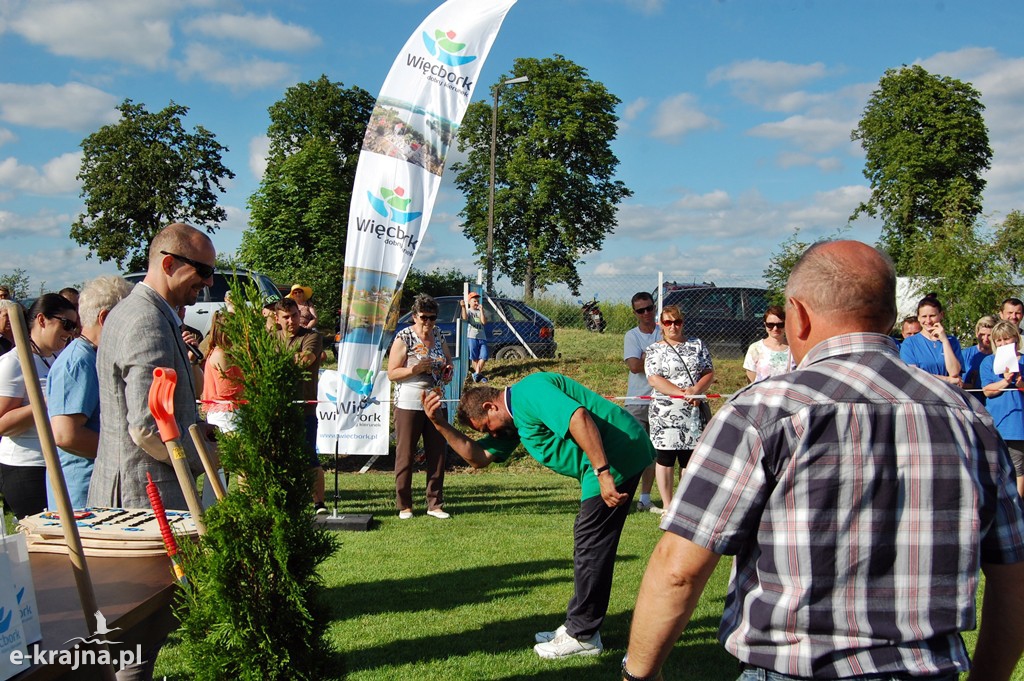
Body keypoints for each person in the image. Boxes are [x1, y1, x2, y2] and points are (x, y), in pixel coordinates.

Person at [623, 240, 1024, 681]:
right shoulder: (969, 417)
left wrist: (638, 673)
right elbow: (1013, 578)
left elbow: (679, 569)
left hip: (790, 668)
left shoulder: (762, 411)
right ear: (890, 316)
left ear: (799, 314)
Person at [422, 372, 655, 659]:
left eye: (488, 428)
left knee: (591, 545)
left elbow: (578, 417)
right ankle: (578, 626)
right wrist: (438, 424)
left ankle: (582, 635)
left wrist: (603, 473)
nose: (492, 434)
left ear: (490, 407)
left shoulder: (528, 393)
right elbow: (479, 458)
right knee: (589, 543)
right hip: (609, 461)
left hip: (615, 457)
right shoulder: (514, 418)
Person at [89, 223, 213, 514]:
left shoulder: (147, 313)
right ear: (168, 263)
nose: (208, 283)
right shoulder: (147, 321)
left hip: (141, 491)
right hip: (144, 498)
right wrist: (206, 456)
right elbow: (148, 427)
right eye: (204, 271)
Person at [45, 276, 132, 510]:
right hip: (81, 498)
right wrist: (127, 451)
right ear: (105, 319)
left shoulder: (94, 357)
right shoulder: (79, 362)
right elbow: (66, 435)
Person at [0, 295, 78, 517]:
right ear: (42, 320)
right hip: (26, 467)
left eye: (75, 325)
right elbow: (2, 424)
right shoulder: (13, 363)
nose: (71, 331)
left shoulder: (56, 358)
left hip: (55, 462)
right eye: (67, 324)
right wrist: (45, 401)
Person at [387, 293, 452, 520]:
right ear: (414, 316)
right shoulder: (403, 337)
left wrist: (447, 371)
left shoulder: (438, 334)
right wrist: (414, 370)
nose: (428, 322)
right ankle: (404, 504)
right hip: (409, 401)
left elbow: (448, 361)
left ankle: (435, 504)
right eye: (424, 317)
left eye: (432, 318)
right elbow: (392, 373)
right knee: (406, 453)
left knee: (438, 452)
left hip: (434, 400)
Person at [644, 304, 714, 512]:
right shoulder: (654, 350)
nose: (673, 326)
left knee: (689, 459)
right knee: (665, 458)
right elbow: (654, 379)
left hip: (693, 412)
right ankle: (667, 506)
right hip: (665, 412)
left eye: (677, 322)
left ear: (683, 323)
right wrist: (683, 394)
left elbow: (708, 371)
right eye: (668, 322)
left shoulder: (697, 345)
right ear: (661, 325)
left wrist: (697, 390)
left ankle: (685, 506)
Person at [276, 297, 326, 514]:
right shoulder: (270, 338)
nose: (291, 321)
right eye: (286, 317)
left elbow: (305, 360)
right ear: (277, 318)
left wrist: (275, 358)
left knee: (309, 457)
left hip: (304, 408)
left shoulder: (312, 336)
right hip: (277, 409)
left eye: (294, 315)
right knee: (279, 459)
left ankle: (319, 504)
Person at [622, 291, 659, 513]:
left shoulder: (665, 330)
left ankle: (645, 499)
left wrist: (647, 355)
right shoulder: (632, 336)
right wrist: (657, 354)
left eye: (649, 308)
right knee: (632, 450)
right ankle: (624, 496)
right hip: (637, 400)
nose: (646, 313)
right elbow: (635, 367)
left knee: (654, 453)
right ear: (635, 313)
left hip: (661, 400)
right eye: (641, 310)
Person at [981, 320, 1024, 499]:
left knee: (1019, 469)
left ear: (1016, 339)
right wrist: (1006, 381)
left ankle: (1018, 507)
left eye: (1007, 339)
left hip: (1018, 427)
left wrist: (1021, 383)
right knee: (993, 467)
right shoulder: (988, 362)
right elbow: (987, 391)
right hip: (995, 424)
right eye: (999, 340)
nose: (1003, 343)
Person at [899, 293, 963, 385]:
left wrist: (945, 341)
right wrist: (946, 379)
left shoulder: (951, 341)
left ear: (941, 315)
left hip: (947, 395)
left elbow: (954, 372)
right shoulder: (910, 343)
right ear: (919, 318)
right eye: (924, 316)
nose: (928, 321)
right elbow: (912, 374)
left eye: (932, 316)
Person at [202, 310, 243, 434]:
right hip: (226, 415)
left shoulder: (224, 352)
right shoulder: (220, 354)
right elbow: (228, 389)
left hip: (230, 412)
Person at [742, 304, 792, 382]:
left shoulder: (794, 349)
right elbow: (751, 382)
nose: (775, 328)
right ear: (765, 325)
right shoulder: (755, 348)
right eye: (770, 325)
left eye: (780, 325)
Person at [962, 314, 998, 395]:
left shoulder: (999, 356)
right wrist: (971, 385)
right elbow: (957, 383)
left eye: (989, 335)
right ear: (976, 333)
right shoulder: (965, 354)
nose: (985, 339)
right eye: (982, 334)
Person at [460, 291, 489, 382]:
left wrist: (481, 310)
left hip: (482, 336)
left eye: (477, 301)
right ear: (469, 302)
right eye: (474, 301)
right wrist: (463, 307)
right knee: (474, 357)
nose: (476, 303)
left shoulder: (481, 311)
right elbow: (464, 318)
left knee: (484, 355)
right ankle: (479, 376)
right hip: (472, 336)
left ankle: (476, 373)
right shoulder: (468, 311)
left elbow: (484, 322)